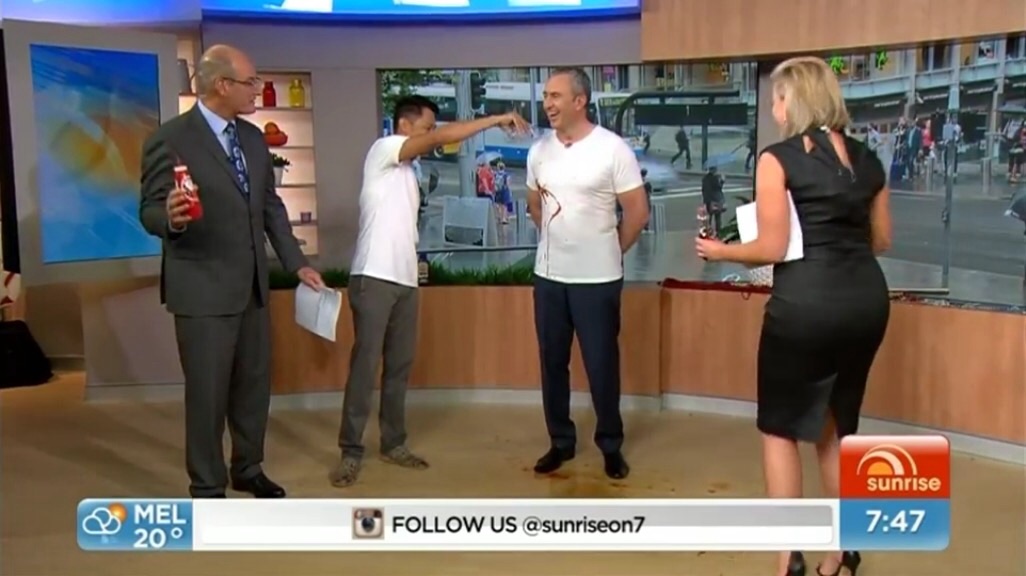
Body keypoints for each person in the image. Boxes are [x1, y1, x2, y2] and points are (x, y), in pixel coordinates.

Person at [695, 56, 891, 576]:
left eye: (777, 99)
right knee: (836, 427)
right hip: (866, 302)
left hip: (806, 305)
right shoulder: (869, 159)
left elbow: (772, 247)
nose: (774, 110)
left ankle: (790, 557)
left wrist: (719, 251)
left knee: (780, 430)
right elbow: (882, 239)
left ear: (794, 101)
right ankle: (842, 549)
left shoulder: (777, 158)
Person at [138, 44, 325, 499]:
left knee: (252, 387)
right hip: (201, 289)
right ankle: (206, 484)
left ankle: (248, 467)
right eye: (250, 81)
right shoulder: (171, 138)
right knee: (207, 394)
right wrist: (171, 219)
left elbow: (269, 207)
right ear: (222, 85)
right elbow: (149, 210)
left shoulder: (254, 139)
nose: (257, 89)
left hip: (252, 288)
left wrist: (297, 263)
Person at [331, 95, 529, 487]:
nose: (430, 136)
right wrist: (495, 120)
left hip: (405, 280)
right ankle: (351, 451)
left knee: (399, 366)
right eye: (425, 128)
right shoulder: (384, 149)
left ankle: (393, 443)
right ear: (405, 126)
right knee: (365, 367)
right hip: (374, 277)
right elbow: (442, 137)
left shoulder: (410, 169)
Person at [525, 67, 649, 480]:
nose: (548, 103)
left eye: (556, 96)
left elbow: (637, 213)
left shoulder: (613, 150)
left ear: (580, 101)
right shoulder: (539, 151)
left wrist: (608, 249)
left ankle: (610, 444)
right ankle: (560, 441)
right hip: (549, 278)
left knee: (601, 364)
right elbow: (534, 206)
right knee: (552, 363)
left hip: (597, 281)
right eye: (546, 95)